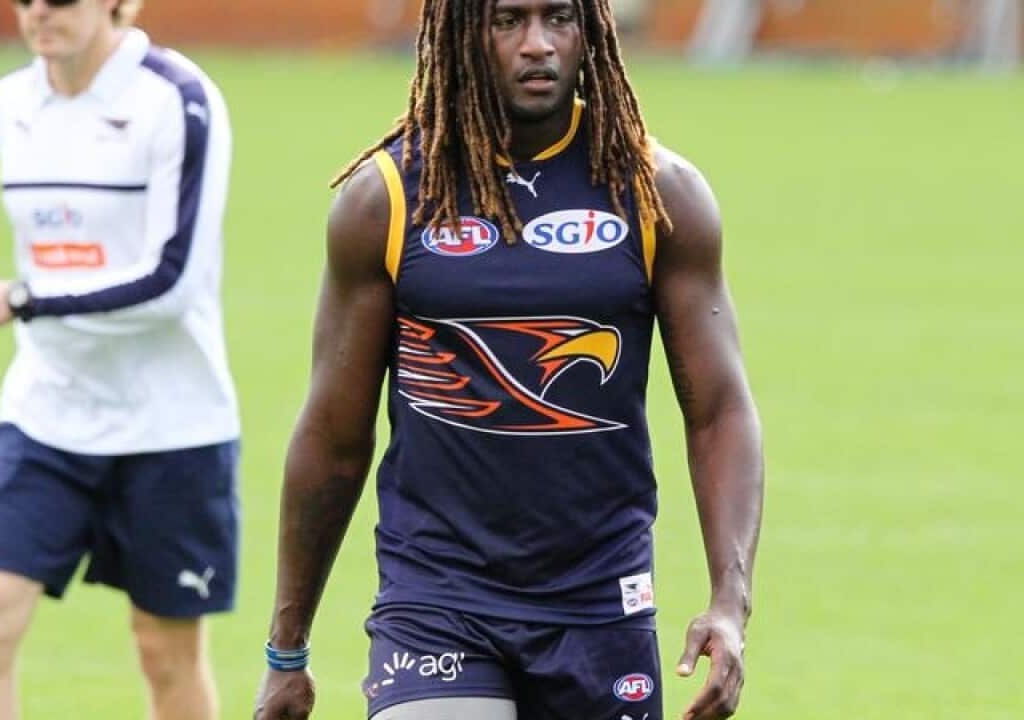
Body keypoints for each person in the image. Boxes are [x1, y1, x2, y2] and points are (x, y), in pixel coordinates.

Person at [254, 1, 763, 719]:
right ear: (464, 32)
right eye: (507, 21)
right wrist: (287, 649)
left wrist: (729, 603)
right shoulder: (388, 201)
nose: (537, 46)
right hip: (436, 599)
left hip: (601, 603)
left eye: (559, 18)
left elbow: (719, 412)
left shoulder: (659, 195)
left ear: (590, 31)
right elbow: (334, 438)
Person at [0, 1, 238, 718]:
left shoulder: (178, 99)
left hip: (172, 427)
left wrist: (21, 299)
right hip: (46, 415)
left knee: (165, 651)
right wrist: (28, 302)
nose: (40, 13)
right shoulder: (8, 102)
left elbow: (172, 280)